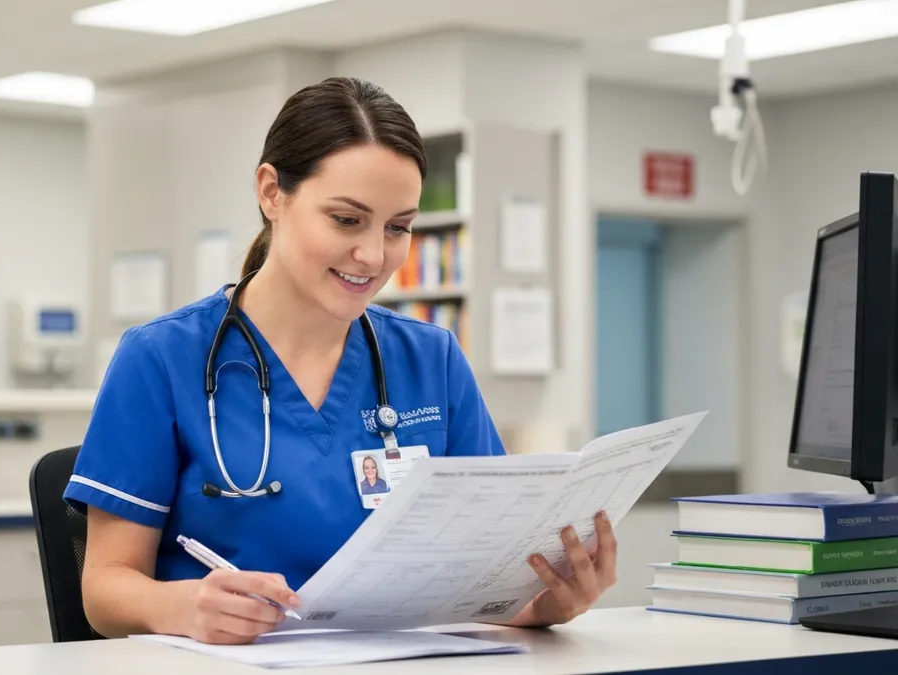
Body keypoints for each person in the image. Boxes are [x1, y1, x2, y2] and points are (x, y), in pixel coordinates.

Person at [64, 76, 617, 646]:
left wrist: (543, 600)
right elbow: (105, 590)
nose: (375, 255)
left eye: (398, 227)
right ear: (272, 192)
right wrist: (178, 605)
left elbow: (487, 580)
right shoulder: (161, 358)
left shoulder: (433, 359)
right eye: (347, 220)